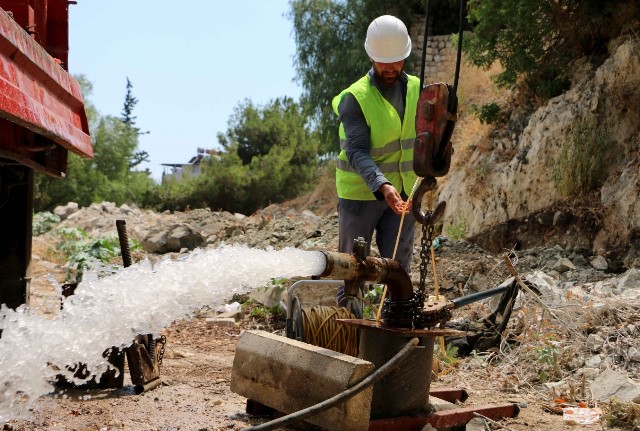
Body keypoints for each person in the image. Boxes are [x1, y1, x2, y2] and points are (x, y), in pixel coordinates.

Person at [333, 15, 420, 308]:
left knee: (399, 272)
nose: (391, 68)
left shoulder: (417, 90)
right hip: (360, 195)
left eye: (397, 61)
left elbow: (428, 136)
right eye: (385, 61)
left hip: (403, 196)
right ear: (371, 55)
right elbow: (357, 151)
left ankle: (395, 331)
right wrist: (383, 185)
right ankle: (345, 332)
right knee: (351, 271)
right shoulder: (354, 98)